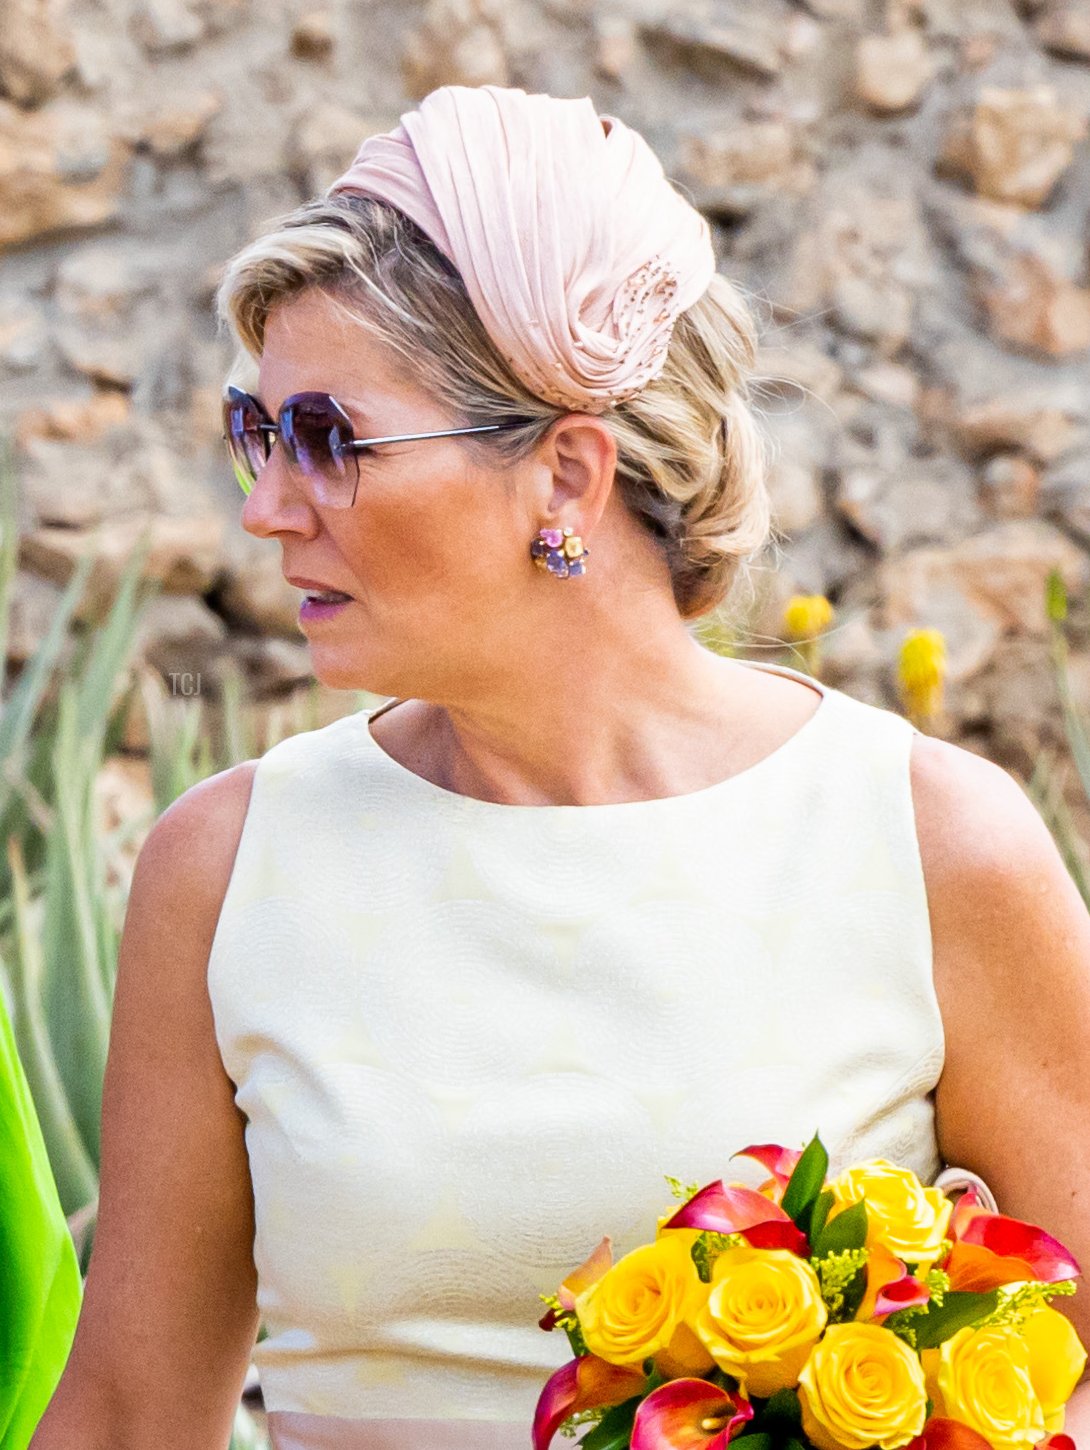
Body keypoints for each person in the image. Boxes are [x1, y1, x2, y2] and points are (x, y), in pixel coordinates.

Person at [30, 84, 1090, 1450]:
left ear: (566, 476)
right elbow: (128, 1412)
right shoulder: (227, 863)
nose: (265, 507)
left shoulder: (929, 840)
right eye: (260, 433)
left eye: (327, 440)